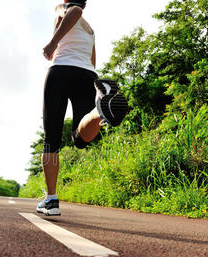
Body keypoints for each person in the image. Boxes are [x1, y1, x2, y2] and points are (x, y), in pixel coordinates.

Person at [36, 0, 128, 216]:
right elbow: (92, 62)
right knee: (79, 139)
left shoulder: (66, 8)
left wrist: (52, 43)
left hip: (60, 72)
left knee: (52, 138)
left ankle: (51, 199)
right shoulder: (90, 30)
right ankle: (98, 112)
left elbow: (73, 10)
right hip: (87, 75)